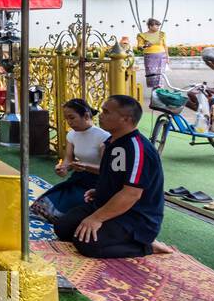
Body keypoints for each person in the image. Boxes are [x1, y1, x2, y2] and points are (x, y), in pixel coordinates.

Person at [52, 94, 164, 258]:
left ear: (125, 119)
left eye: (106, 112)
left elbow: (132, 194)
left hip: (135, 216)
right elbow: (114, 176)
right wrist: (100, 191)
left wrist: (96, 218)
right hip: (108, 204)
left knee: (88, 245)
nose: (100, 115)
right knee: (62, 228)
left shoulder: (137, 148)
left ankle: (146, 246)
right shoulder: (112, 141)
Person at [32, 99, 110, 219]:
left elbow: (108, 171)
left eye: (72, 118)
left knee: (69, 211)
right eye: (66, 118)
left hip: (97, 183)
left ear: (86, 116)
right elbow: (68, 159)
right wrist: (63, 167)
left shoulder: (103, 137)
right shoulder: (72, 135)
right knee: (41, 205)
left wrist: (85, 166)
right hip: (79, 179)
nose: (69, 122)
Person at [136, 18, 168, 89]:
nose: (158, 27)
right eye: (156, 25)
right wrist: (145, 45)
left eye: (158, 26)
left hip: (161, 56)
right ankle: (154, 91)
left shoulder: (162, 34)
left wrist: (167, 57)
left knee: (161, 74)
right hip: (149, 57)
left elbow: (165, 45)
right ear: (150, 26)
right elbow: (139, 47)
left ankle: (159, 91)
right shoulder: (142, 35)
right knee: (152, 74)